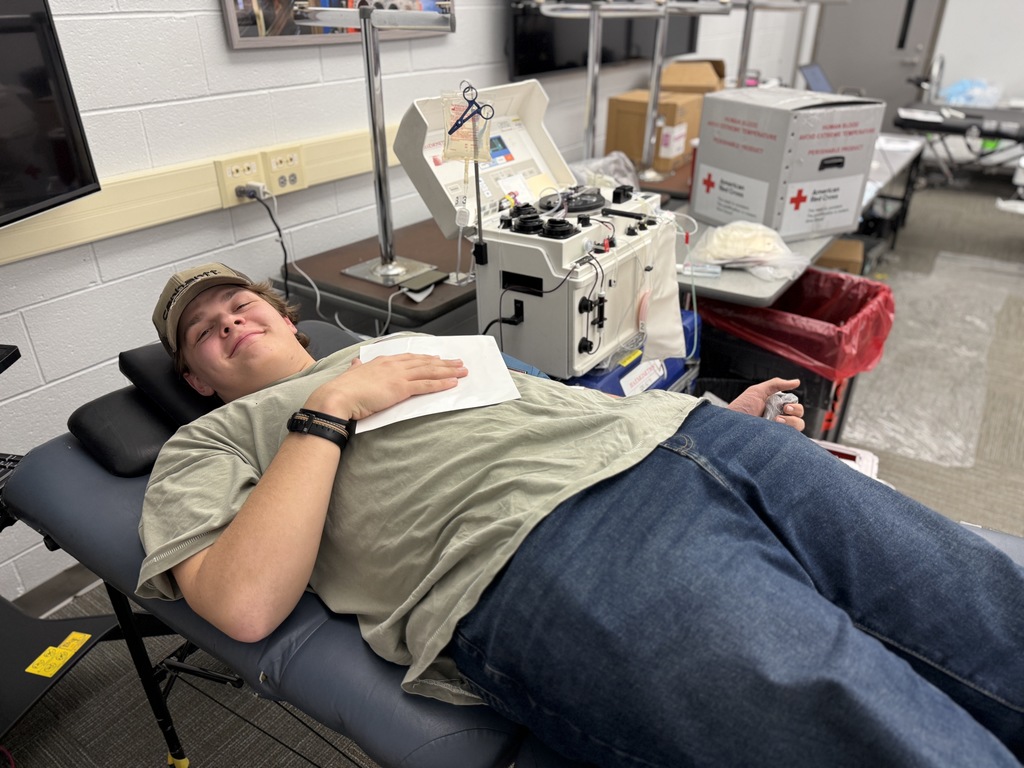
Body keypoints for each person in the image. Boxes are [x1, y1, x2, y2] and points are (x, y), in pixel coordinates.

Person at [138, 263, 1024, 768]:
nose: (228, 323)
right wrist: (331, 407)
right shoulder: (213, 442)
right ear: (196, 379)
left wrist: (716, 418)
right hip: (550, 551)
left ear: (284, 314)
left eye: (238, 304)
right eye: (203, 333)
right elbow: (242, 601)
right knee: (876, 734)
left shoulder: (400, 346)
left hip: (696, 446)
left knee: (986, 610)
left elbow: (555, 405)